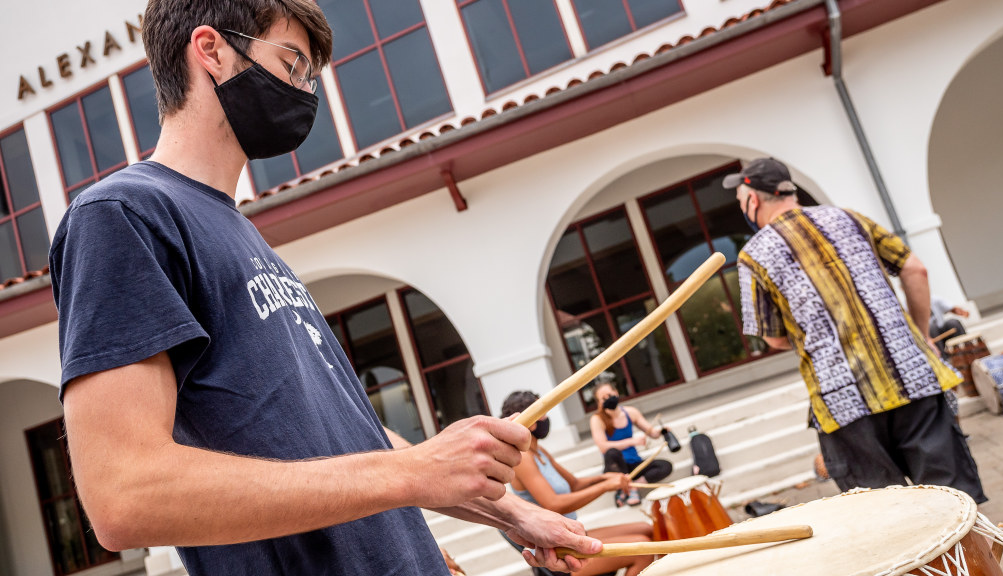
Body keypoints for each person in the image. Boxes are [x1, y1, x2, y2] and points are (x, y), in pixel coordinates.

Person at [47, 1, 601, 574]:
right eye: (291, 64)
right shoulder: (123, 216)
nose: (305, 91)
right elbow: (125, 494)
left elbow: (350, 433)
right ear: (210, 50)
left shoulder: (239, 231)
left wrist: (511, 512)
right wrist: (414, 472)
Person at [724, 157, 986, 503]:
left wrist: (814, 333)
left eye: (740, 199)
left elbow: (772, 337)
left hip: (842, 401)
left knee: (886, 514)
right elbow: (915, 269)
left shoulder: (753, 255)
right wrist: (921, 335)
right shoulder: (848, 217)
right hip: (912, 377)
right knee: (953, 501)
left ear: (752, 198)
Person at [502, 391, 656, 576]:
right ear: (530, 420)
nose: (547, 417)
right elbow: (553, 504)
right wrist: (605, 487)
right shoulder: (523, 458)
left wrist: (605, 478)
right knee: (643, 549)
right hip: (557, 553)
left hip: (571, 537)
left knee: (648, 529)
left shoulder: (538, 451)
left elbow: (574, 484)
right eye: (542, 413)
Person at [590, 382, 673, 506]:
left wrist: (661, 431)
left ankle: (632, 487)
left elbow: (652, 433)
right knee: (612, 452)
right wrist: (631, 442)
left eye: (610, 395)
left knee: (665, 466)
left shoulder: (631, 412)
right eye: (604, 398)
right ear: (599, 402)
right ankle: (622, 486)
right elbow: (603, 447)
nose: (608, 399)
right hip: (617, 467)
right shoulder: (597, 419)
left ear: (616, 392)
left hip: (634, 463)